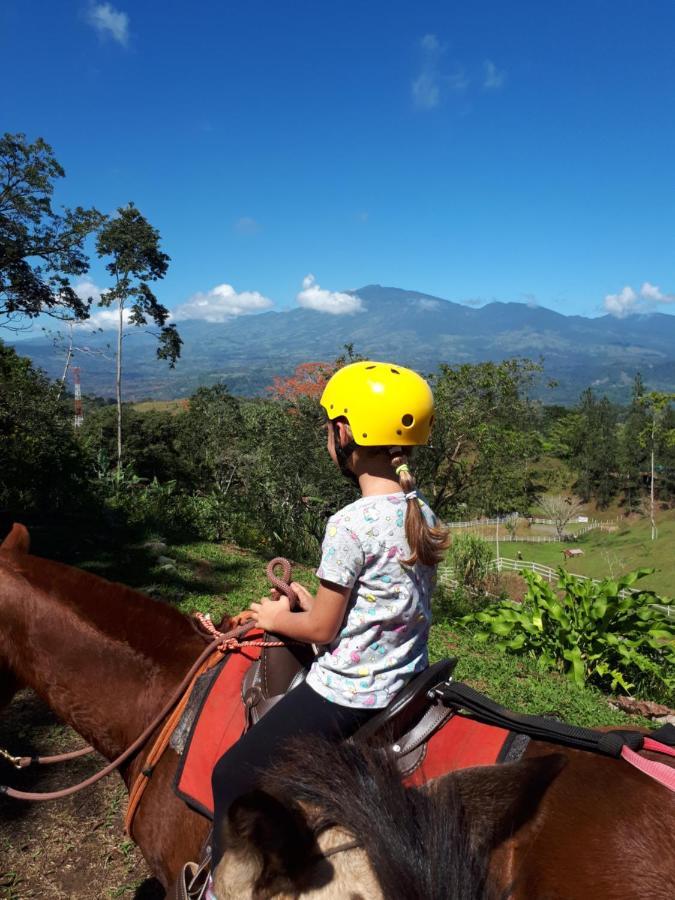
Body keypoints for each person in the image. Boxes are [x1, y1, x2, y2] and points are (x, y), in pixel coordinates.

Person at [208, 360, 450, 883]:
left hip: (353, 691)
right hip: (409, 674)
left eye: (330, 424)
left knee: (229, 774)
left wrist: (277, 615)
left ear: (346, 434)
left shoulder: (349, 523)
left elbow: (320, 631)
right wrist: (307, 598)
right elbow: (379, 602)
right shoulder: (420, 511)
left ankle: (219, 888)